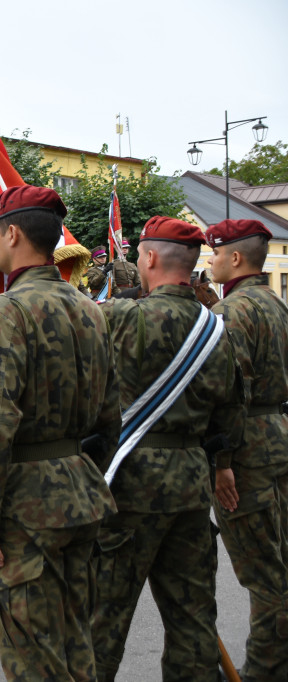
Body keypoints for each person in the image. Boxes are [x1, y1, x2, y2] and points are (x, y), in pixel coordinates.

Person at [0, 186, 119, 680]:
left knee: (32, 654)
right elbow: (112, 413)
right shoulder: (90, 308)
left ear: (11, 233)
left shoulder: (9, 311)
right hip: (81, 492)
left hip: (26, 505)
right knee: (77, 641)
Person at [92, 216, 244, 682]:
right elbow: (230, 413)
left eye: (139, 255)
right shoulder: (218, 330)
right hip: (192, 484)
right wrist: (221, 466)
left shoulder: (120, 317)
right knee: (193, 617)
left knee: (102, 619)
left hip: (130, 485)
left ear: (152, 258)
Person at [208, 219, 288, 680]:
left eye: (216, 253)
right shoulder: (275, 304)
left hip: (248, 451)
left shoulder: (234, 311)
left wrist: (222, 462)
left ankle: (263, 670)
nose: (212, 262)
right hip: (276, 434)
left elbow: (230, 392)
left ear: (234, 258)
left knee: (263, 574)